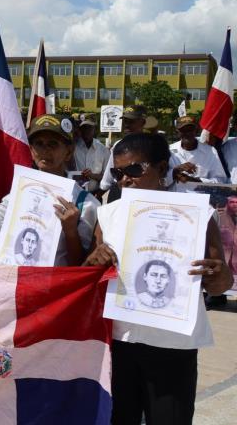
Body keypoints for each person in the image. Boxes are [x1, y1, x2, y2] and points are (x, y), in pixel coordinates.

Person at [84, 132, 232, 424]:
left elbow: (222, 282)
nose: (125, 179)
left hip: (172, 343)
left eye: (135, 170)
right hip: (120, 340)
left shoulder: (198, 213)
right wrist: (94, 259)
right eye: (117, 172)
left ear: (162, 169)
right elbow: (87, 275)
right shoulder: (108, 214)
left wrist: (215, 275)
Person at [0, 114, 98, 267]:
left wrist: (70, 231)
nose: (44, 150)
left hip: (55, 289)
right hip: (16, 286)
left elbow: (83, 268)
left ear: (68, 151)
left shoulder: (86, 204)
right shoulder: (19, 193)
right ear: (32, 151)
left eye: (53, 144)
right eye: (39, 144)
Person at [169, 115, 226, 192]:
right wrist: (174, 172)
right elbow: (161, 180)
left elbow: (221, 181)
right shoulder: (169, 150)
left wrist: (196, 181)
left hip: (200, 199)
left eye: (190, 130)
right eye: (183, 130)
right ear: (177, 132)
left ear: (197, 130)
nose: (187, 133)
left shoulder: (210, 152)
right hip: (175, 200)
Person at [73, 114, 109, 195]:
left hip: (95, 194)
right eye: (83, 128)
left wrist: (92, 175)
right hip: (74, 194)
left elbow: (107, 177)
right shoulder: (72, 148)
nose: (86, 131)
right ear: (79, 129)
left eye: (89, 128)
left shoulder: (103, 150)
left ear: (95, 129)